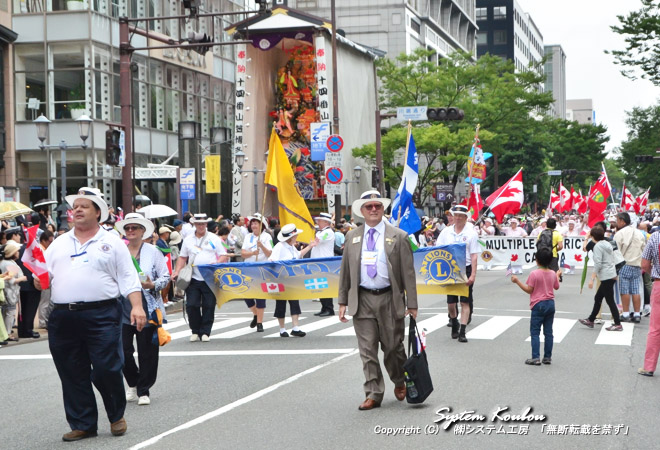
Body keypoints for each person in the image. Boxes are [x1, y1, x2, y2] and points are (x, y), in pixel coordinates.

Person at [40, 188, 146, 441]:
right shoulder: (58, 243)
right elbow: (46, 278)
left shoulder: (112, 243)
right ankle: (83, 424)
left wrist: (137, 306)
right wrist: (38, 281)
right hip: (63, 316)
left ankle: (115, 415)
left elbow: (128, 277)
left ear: (98, 213)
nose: (77, 210)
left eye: (84, 206)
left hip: (102, 313)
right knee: (71, 371)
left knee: (105, 369)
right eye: (75, 206)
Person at [338, 190, 417, 411]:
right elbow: (345, 270)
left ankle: (399, 379)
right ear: (362, 211)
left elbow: (408, 273)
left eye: (377, 206)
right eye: (369, 206)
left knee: (393, 347)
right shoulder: (352, 237)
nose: (373, 210)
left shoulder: (398, 236)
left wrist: (412, 304)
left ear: (383, 209)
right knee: (367, 350)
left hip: (389, 298)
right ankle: (373, 392)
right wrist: (343, 300)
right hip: (362, 298)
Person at [117, 213, 170, 406]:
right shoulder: (119, 251)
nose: (130, 231)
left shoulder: (153, 251)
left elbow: (165, 276)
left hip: (148, 304)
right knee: (122, 350)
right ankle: (132, 382)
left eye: (134, 228)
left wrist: (152, 284)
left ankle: (144, 389)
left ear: (142, 231)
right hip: (123, 306)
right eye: (127, 228)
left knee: (147, 349)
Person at [173, 213, 228, 342]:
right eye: (198, 224)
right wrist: (177, 271)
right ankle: (195, 330)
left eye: (203, 224)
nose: (201, 226)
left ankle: (205, 332)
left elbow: (223, 254)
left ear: (206, 224)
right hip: (192, 277)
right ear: (194, 224)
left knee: (209, 305)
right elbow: (182, 257)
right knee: (191, 305)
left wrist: (217, 262)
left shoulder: (214, 238)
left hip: (210, 277)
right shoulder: (188, 239)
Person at [437, 205, 481, 342]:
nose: (457, 218)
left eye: (460, 216)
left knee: (464, 302)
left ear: (466, 218)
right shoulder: (446, 232)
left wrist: (473, 274)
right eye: (455, 215)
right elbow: (438, 249)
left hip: (465, 268)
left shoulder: (471, 233)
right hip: (450, 269)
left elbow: (474, 256)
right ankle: (454, 321)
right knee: (451, 303)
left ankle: (462, 331)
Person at [511, 248, 560, 365]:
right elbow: (556, 287)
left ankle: (536, 357)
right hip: (550, 303)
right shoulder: (552, 273)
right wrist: (557, 275)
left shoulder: (534, 274)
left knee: (535, 331)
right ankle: (547, 357)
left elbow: (529, 290)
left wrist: (517, 281)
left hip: (538, 304)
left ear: (536, 260)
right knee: (548, 332)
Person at [269, 224, 317, 337]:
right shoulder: (279, 247)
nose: (297, 236)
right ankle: (282, 329)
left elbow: (298, 255)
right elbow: (271, 259)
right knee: (281, 304)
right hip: (281, 280)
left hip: (293, 280)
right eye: (296, 235)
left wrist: (310, 246)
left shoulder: (291, 247)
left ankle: (295, 327)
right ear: (291, 237)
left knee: (295, 303)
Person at [578, 226, 623, 331]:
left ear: (593, 237)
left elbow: (598, 264)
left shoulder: (598, 246)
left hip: (606, 275)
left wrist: (592, 279)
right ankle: (591, 319)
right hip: (611, 273)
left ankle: (617, 323)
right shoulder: (607, 243)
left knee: (609, 300)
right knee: (598, 298)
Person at [240, 213, 273, 332]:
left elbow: (270, 253)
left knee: (260, 295)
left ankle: (260, 322)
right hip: (248, 268)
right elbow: (243, 253)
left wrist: (262, 246)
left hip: (262, 269)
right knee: (246, 293)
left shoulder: (267, 237)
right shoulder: (248, 236)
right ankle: (255, 313)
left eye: (256, 223)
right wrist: (252, 253)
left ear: (261, 225)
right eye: (252, 223)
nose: (253, 225)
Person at [614, 212, 646, 323]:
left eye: (617, 220)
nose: (616, 222)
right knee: (636, 290)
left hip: (624, 264)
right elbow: (644, 249)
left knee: (624, 290)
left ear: (622, 221)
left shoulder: (619, 234)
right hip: (637, 265)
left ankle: (626, 313)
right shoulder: (639, 233)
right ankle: (637, 314)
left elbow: (615, 251)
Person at [638, 227, 660, 376]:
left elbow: (645, 265)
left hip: (659, 284)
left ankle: (649, 367)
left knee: (655, 328)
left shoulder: (655, 237)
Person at [1, 241, 26, 342]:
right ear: (13, 253)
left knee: (5, 313)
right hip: (10, 292)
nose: (18, 253)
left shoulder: (3, 262)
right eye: (17, 251)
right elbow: (12, 280)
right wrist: (22, 278)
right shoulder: (10, 264)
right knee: (10, 313)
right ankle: (7, 332)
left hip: (6, 291)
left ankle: (5, 332)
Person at [312, 212, 336, 316]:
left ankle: (329, 309)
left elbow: (318, 240)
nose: (318, 222)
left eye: (320, 220)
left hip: (324, 263)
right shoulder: (321, 232)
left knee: (325, 286)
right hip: (318, 263)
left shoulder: (328, 232)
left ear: (326, 222)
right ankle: (324, 307)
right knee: (320, 286)